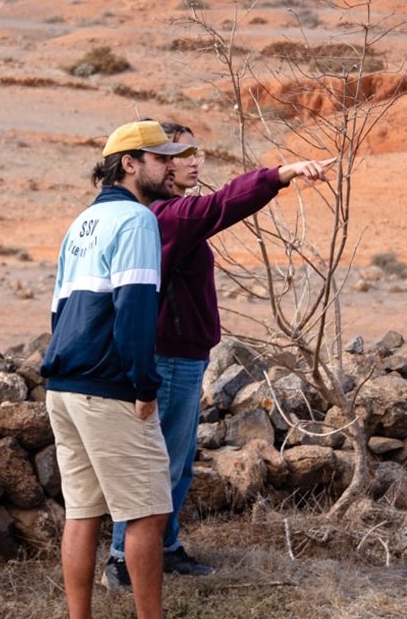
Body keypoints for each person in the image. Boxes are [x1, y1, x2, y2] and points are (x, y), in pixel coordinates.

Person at [105, 123, 332, 588]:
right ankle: (122, 560)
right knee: (157, 465)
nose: (193, 160)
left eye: (195, 150)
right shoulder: (169, 216)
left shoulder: (164, 214)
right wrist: (282, 174)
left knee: (178, 460)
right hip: (167, 356)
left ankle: (163, 549)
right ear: (156, 165)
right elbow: (223, 203)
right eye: (179, 153)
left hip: (183, 355)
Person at [41, 120, 222, 619]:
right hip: (109, 386)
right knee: (146, 511)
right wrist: (144, 385)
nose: (172, 167)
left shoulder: (82, 223)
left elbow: (57, 310)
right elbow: (137, 307)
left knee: (82, 512)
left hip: (63, 384)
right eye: (160, 158)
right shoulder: (137, 219)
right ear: (128, 164)